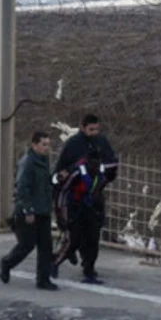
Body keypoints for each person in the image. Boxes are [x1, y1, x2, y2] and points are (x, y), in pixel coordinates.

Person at [52, 113, 119, 285]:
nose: (95, 132)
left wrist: (99, 186)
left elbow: (112, 169)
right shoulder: (73, 146)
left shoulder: (102, 143)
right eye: (91, 129)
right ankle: (55, 262)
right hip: (74, 199)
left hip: (94, 199)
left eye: (97, 129)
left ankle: (89, 269)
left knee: (93, 236)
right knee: (74, 236)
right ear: (82, 128)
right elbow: (59, 175)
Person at [0, 131, 58, 290]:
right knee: (26, 245)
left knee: (46, 246)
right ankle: (7, 263)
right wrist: (28, 210)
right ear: (34, 145)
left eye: (48, 144)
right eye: (43, 144)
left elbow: (45, 184)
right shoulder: (28, 163)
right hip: (30, 211)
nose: (47, 148)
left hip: (43, 210)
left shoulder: (44, 161)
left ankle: (43, 280)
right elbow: (23, 189)